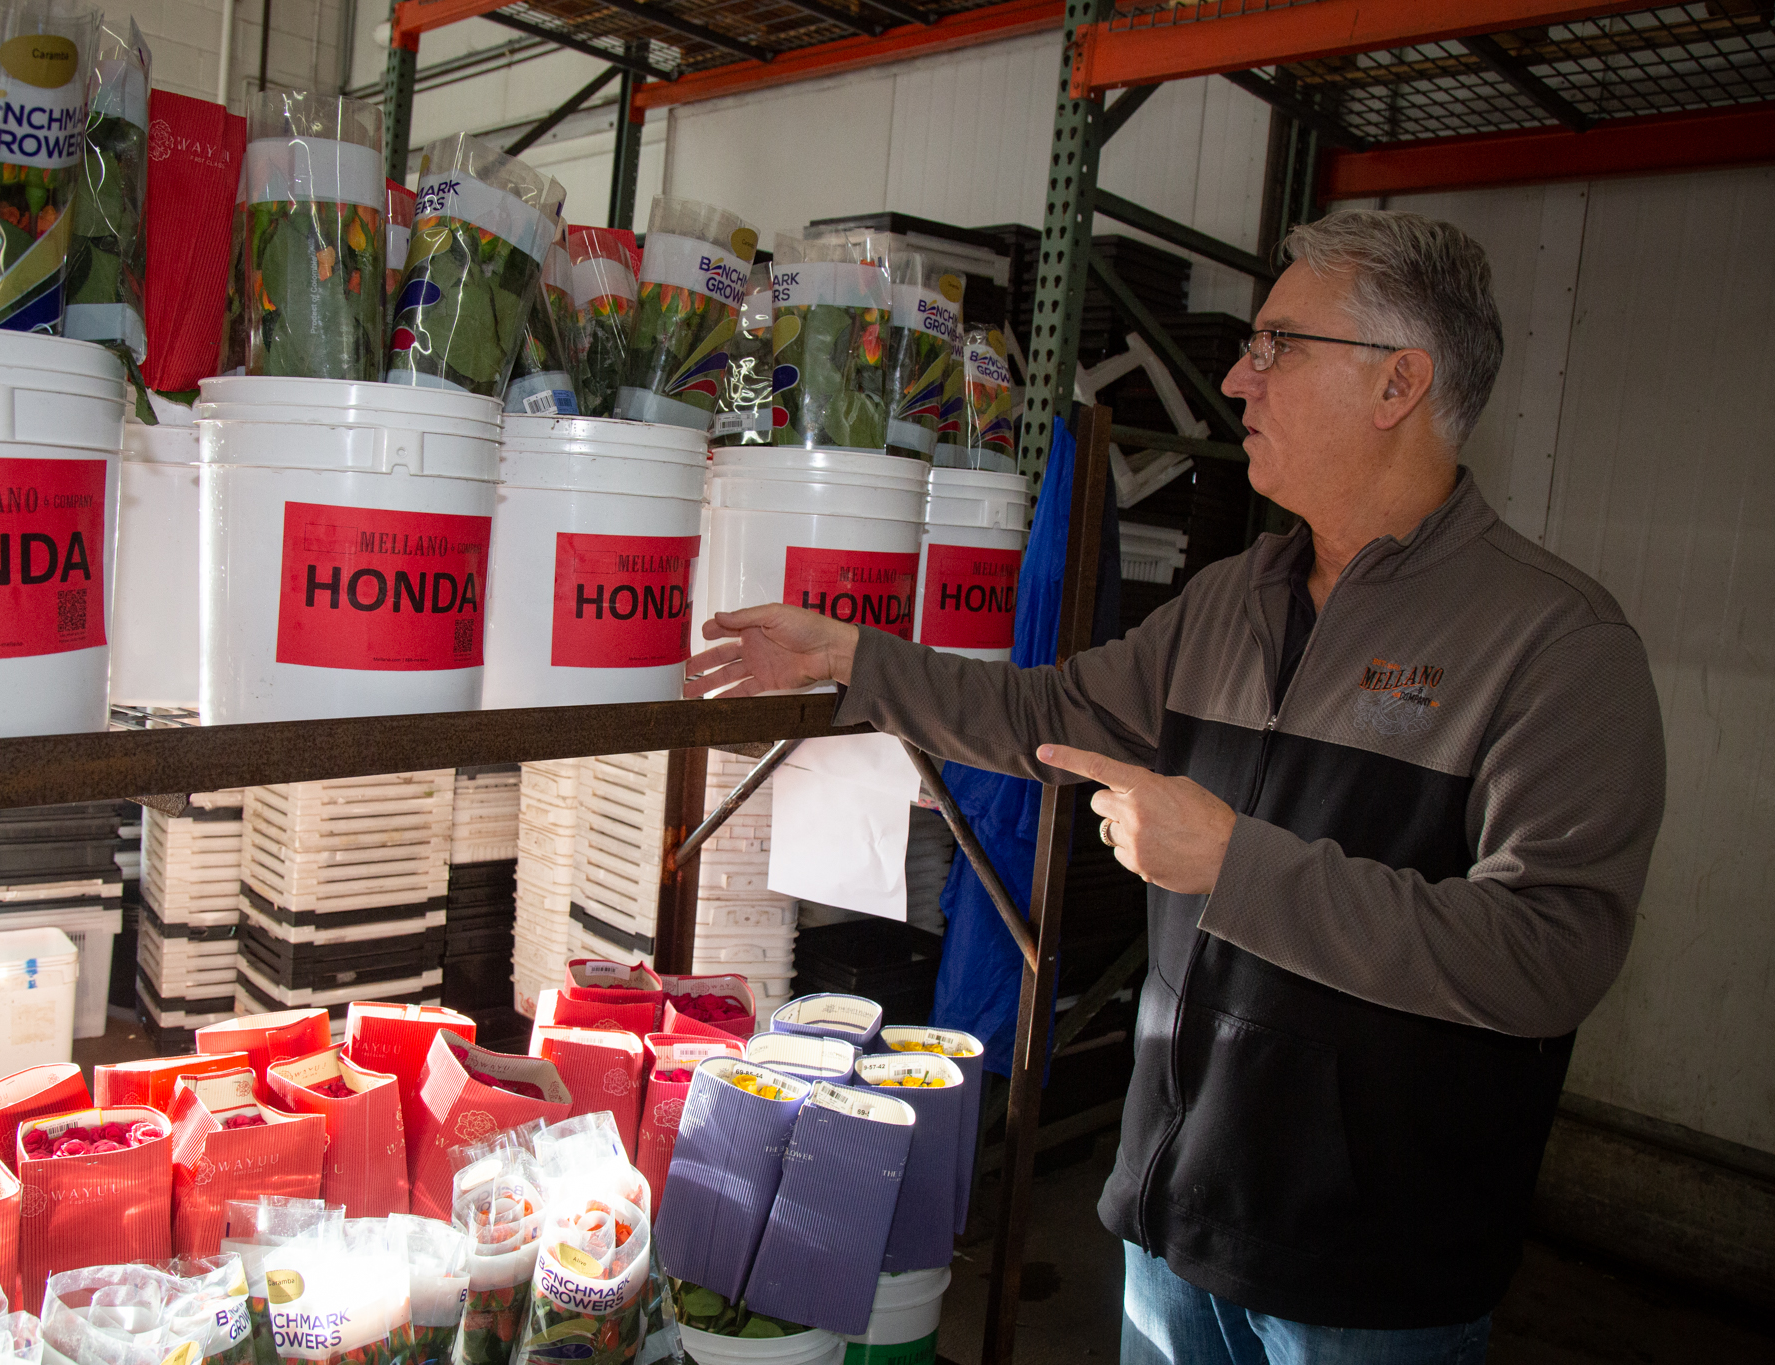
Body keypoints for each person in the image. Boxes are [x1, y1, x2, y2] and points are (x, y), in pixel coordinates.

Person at [683, 210, 1667, 1364]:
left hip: (1362, 1265)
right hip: (1172, 1213)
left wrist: (1235, 867)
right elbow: (1047, 715)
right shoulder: (1231, 598)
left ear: (1399, 384)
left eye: (1277, 346)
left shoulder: (1552, 644)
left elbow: (1548, 952)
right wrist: (852, 660)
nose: (1239, 381)